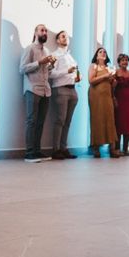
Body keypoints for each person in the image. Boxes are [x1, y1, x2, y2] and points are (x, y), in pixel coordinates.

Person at [20, 24, 55, 163]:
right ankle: (29, 153)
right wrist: (40, 62)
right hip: (33, 89)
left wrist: (50, 65)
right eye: (42, 30)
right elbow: (22, 68)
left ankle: (37, 150)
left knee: (40, 122)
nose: (45, 32)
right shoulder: (29, 48)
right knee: (31, 121)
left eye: (46, 30)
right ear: (35, 33)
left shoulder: (46, 50)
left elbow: (47, 72)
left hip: (46, 90)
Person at [47, 31, 80, 160]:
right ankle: (55, 150)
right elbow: (50, 74)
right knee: (60, 120)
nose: (65, 38)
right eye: (62, 36)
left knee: (67, 121)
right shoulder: (54, 55)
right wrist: (67, 71)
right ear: (57, 40)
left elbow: (74, 72)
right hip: (60, 89)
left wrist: (77, 76)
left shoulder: (71, 57)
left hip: (72, 90)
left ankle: (63, 148)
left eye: (66, 36)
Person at [89, 47, 120, 158]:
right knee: (97, 119)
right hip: (96, 96)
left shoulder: (109, 68)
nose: (103, 53)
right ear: (96, 56)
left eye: (105, 52)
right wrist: (105, 76)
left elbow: (112, 85)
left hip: (107, 96)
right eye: (100, 52)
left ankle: (111, 148)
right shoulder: (93, 66)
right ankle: (96, 147)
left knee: (110, 119)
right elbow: (91, 81)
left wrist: (113, 82)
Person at [114, 53, 129, 156]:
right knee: (119, 124)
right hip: (120, 101)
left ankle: (125, 148)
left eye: (126, 60)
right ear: (119, 62)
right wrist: (113, 98)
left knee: (128, 124)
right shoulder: (115, 73)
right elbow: (113, 88)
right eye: (123, 60)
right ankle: (117, 148)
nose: (125, 62)